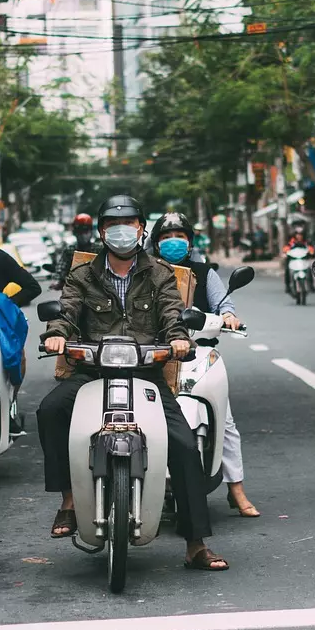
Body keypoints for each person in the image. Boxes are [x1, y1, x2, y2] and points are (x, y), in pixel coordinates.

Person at [37, 195, 229, 572]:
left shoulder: (160, 274)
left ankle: (195, 543)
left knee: (186, 446)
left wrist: (179, 340)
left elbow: (173, 315)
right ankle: (69, 500)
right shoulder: (82, 275)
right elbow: (68, 311)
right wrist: (56, 335)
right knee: (50, 410)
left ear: (142, 229)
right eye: (112, 225)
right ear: (101, 231)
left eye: (129, 224)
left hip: (146, 376)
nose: (121, 232)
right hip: (91, 372)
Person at [150, 212, 259, 518]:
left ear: (190, 242)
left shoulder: (203, 271)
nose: (173, 243)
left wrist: (228, 316)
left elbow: (224, 304)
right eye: (166, 237)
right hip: (156, 356)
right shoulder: (146, 271)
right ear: (155, 243)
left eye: (180, 237)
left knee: (225, 421)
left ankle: (235, 488)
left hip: (200, 355)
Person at [52, 213, 101, 290]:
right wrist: (57, 280)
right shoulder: (69, 250)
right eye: (79, 231)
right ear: (75, 233)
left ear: (91, 232)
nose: (82, 235)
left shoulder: (99, 249)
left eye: (85, 231)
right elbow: (61, 267)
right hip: (75, 291)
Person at [282, 223, 315, 294]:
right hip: (293, 260)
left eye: (301, 235)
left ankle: (311, 285)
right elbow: (285, 248)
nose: (299, 236)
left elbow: (311, 249)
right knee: (287, 270)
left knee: (309, 270)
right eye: (298, 234)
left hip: (303, 260)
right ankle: (288, 286)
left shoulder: (306, 242)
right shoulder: (292, 242)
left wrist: (311, 252)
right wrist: (286, 253)